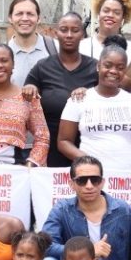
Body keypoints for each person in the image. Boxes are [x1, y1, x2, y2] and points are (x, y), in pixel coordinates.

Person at [57, 40, 131, 174]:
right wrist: (88, 161)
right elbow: (64, 142)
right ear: (98, 66)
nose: (113, 71)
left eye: (120, 67)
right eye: (108, 65)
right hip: (91, 176)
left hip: (126, 177)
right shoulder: (79, 99)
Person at [23, 12, 97, 168]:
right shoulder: (43, 66)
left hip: (88, 147)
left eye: (75, 30)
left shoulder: (95, 67)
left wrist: (90, 93)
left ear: (82, 35)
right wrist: (30, 88)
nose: (69, 35)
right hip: (51, 149)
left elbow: (107, 95)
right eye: (64, 30)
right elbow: (28, 92)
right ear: (56, 33)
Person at [81, 0, 131, 91]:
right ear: (98, 14)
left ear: (123, 18)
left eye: (116, 12)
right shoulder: (82, 47)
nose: (110, 15)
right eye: (106, 11)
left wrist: (124, 81)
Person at [6, 0, 53, 88]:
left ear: (38, 18)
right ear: (10, 18)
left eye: (30, 14)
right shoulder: (1, 55)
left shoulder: (55, 49)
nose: (25, 18)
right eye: (19, 14)